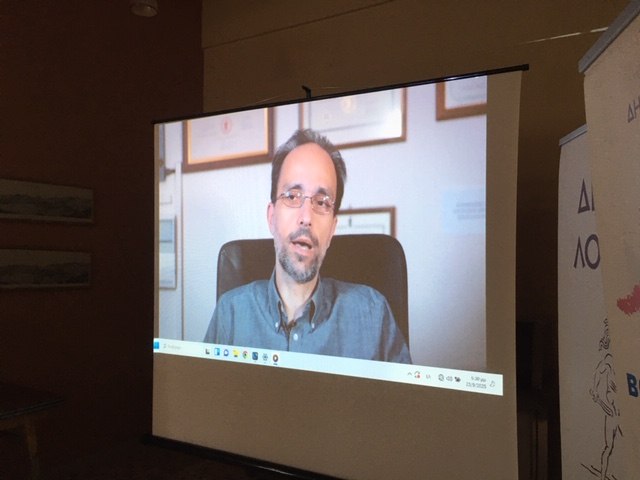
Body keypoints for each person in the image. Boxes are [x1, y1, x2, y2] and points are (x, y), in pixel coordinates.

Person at [203, 129, 411, 363]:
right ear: (271, 217)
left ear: (332, 230)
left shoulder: (373, 315)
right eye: (292, 196)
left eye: (321, 202)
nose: (306, 217)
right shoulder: (230, 314)